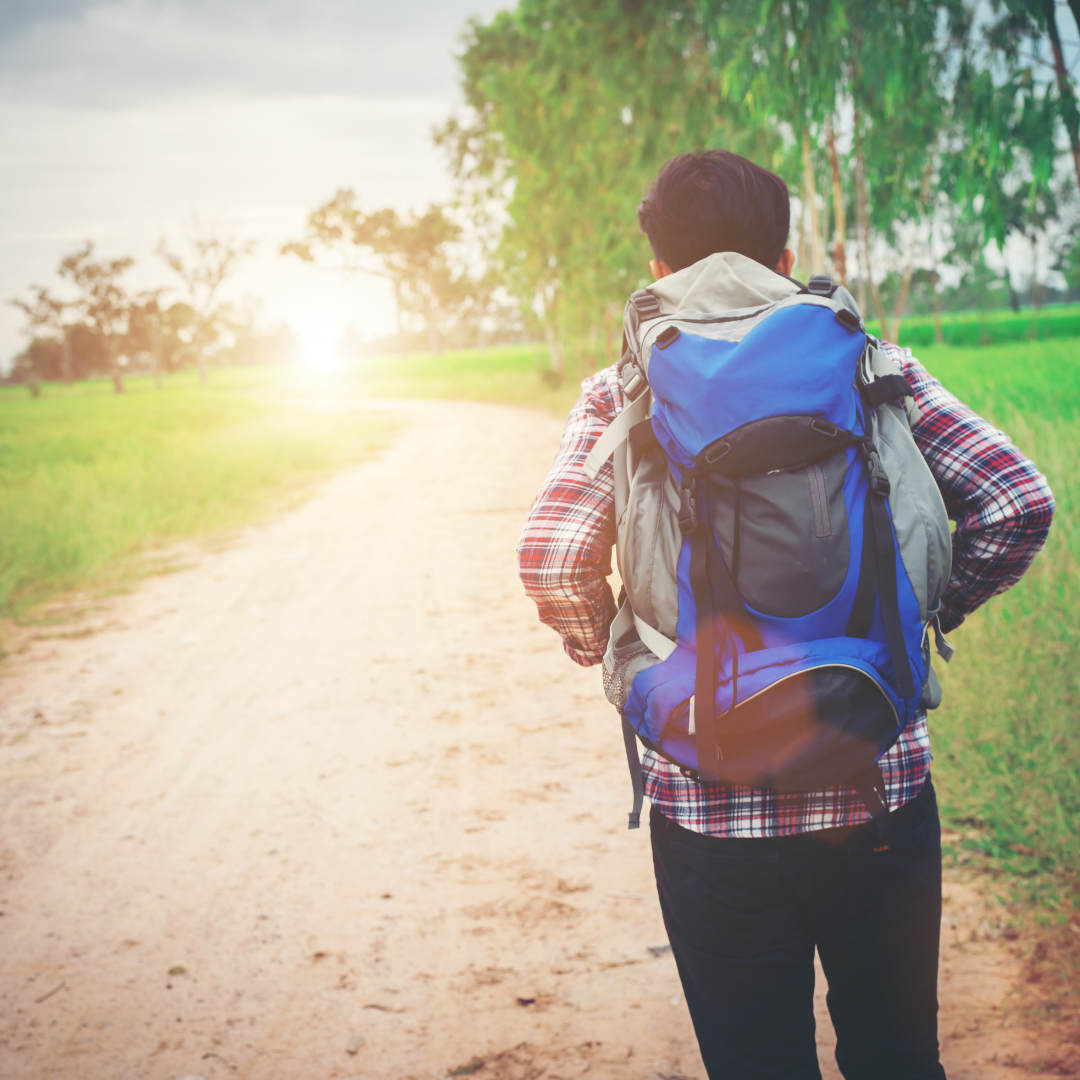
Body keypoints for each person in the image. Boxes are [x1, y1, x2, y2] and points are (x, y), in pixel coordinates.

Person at [516, 149, 1054, 1079]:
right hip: (875, 784)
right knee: (896, 1058)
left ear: (659, 267)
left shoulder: (624, 390)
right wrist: (926, 612)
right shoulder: (870, 361)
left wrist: (613, 646)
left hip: (709, 803)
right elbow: (1017, 501)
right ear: (781, 251)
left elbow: (553, 559)